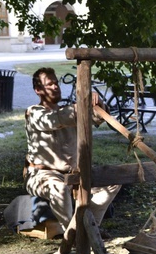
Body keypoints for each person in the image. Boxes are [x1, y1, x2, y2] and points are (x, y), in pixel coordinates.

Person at [24, 67, 120, 234]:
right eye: (49, 84)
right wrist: (81, 104)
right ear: (38, 90)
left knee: (114, 180)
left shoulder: (68, 110)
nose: (55, 87)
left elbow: (97, 118)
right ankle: (73, 233)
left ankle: (90, 229)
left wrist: (97, 104)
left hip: (74, 174)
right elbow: (52, 121)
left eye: (56, 83)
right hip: (41, 175)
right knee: (58, 188)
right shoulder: (34, 112)